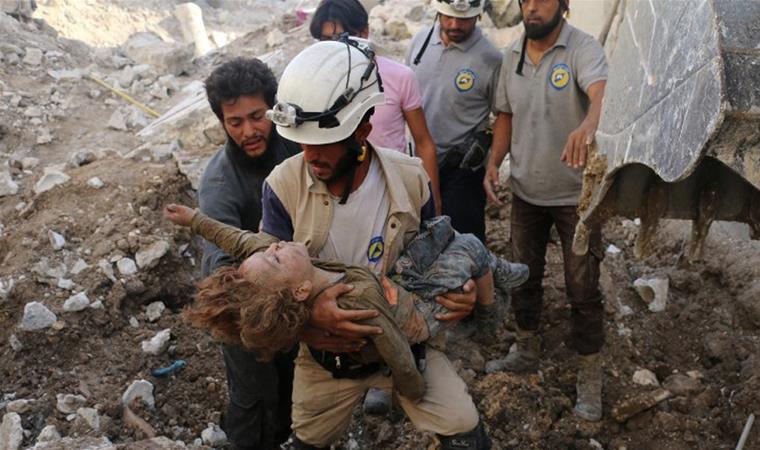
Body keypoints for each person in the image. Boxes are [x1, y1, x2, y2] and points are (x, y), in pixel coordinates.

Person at [257, 37, 491, 449]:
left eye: (325, 140)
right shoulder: (282, 187)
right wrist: (313, 320)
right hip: (327, 355)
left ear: (363, 128)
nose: (310, 155)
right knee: (307, 441)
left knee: (465, 429)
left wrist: (461, 292)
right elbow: (265, 292)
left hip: (405, 342)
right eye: (302, 141)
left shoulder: (410, 178)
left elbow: (437, 252)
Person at [162, 205, 529, 387]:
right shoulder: (356, 299)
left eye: (268, 250)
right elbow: (394, 346)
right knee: (469, 246)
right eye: (274, 256)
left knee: (437, 234)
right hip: (421, 311)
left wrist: (195, 219)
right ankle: (490, 312)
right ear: (302, 291)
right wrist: (411, 387)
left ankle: (495, 271)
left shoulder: (290, 272)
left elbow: (242, 241)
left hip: (398, 283)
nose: (274, 246)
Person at [482, 0, 608, 422]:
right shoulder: (511, 56)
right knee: (523, 275)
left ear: (565, 4)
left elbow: (601, 93)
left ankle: (589, 373)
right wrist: (494, 162)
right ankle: (527, 346)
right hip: (526, 192)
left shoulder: (581, 49)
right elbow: (505, 115)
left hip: (577, 198)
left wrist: (589, 124)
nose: (533, 8)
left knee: (583, 287)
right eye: (526, 0)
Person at [198, 57, 300, 449]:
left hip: (297, 291)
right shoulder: (220, 183)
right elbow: (220, 269)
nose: (249, 130)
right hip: (242, 309)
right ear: (221, 122)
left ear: (272, 108)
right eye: (235, 122)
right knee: (255, 397)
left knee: (297, 385)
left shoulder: (297, 148)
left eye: (257, 116)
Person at [309, 0, 442, 215]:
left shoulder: (400, 77)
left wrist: (433, 204)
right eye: (325, 40)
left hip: (391, 194)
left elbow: (423, 142)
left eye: (342, 38)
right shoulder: (313, 81)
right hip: (334, 195)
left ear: (364, 32)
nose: (335, 48)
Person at [405, 0, 502, 243]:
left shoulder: (490, 58)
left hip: (461, 170)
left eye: (464, 19)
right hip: (416, 165)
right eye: (448, 17)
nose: (455, 24)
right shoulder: (420, 42)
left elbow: (503, 114)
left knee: (463, 244)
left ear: (478, 16)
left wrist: (490, 147)